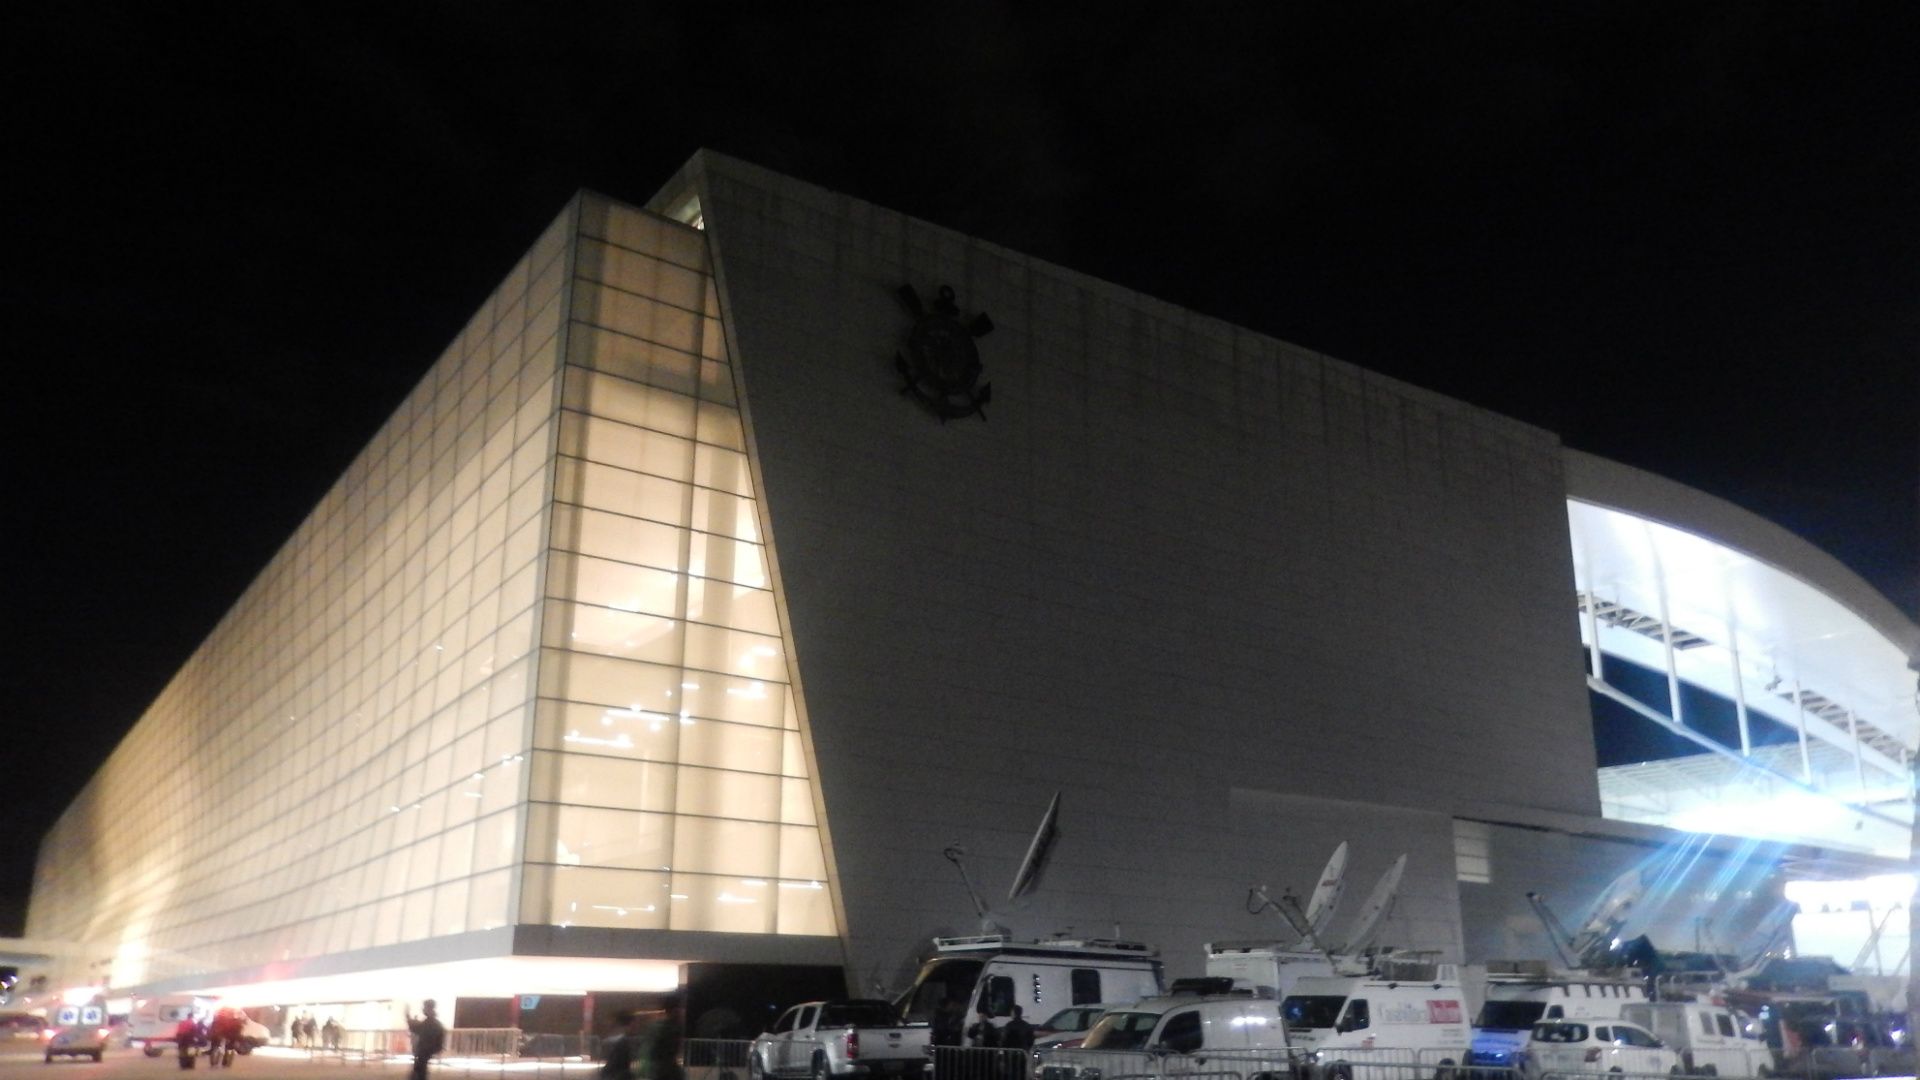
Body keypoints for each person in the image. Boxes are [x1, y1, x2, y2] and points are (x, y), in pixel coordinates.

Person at [407, 1000, 446, 1080]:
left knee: (419, 1072)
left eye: (424, 1007)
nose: (423, 1009)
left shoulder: (431, 1023)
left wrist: (408, 1017)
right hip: (424, 1052)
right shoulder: (432, 1022)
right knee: (420, 1071)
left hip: (424, 1052)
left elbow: (418, 1028)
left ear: (429, 1008)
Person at [647, 996, 684, 1080]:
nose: (681, 1012)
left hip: (659, 1069)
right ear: (675, 1010)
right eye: (679, 1009)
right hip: (667, 1070)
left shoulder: (658, 1026)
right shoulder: (673, 1028)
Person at [600, 1010, 645, 1080]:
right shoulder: (622, 1042)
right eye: (635, 1023)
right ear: (630, 1024)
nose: (637, 1026)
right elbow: (619, 1065)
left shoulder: (611, 1040)